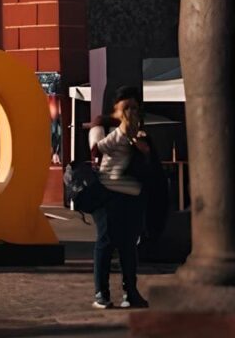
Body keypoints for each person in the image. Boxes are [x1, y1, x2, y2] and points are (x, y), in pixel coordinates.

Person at [88, 85, 151, 310]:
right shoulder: (102, 125)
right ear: (116, 108)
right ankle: (101, 293)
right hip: (108, 194)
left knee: (128, 246)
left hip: (131, 195)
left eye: (135, 107)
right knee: (105, 242)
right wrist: (124, 134)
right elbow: (97, 150)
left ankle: (130, 292)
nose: (131, 112)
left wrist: (141, 146)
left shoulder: (137, 129)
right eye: (127, 107)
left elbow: (146, 158)